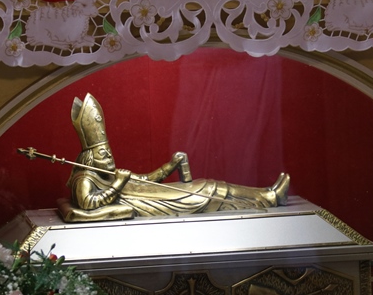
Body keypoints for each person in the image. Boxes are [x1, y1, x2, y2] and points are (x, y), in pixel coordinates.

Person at [59, 93, 290, 222]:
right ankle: (268, 198)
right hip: (153, 204)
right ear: (89, 158)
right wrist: (118, 184)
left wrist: (170, 166)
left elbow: (145, 180)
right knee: (207, 191)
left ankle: (265, 194)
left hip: (153, 194)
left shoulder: (107, 173)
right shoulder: (84, 179)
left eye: (109, 153)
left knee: (206, 184)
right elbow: (88, 204)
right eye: (103, 154)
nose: (109, 158)